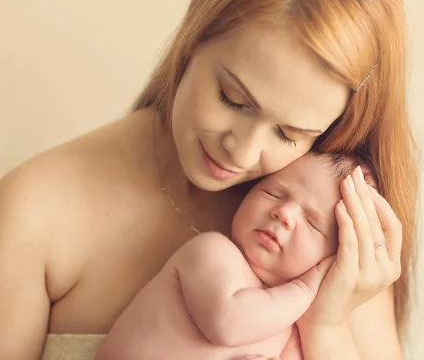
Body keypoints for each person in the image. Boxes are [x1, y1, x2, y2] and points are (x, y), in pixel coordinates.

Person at [0, 0, 418, 359]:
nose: (242, 150)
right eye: (232, 98)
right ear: (195, 33)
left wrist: (326, 328)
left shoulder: (332, 225)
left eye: (288, 134)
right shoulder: (35, 208)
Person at [97, 153, 384, 360]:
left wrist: (321, 317)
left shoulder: (294, 328)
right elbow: (228, 324)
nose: (284, 213)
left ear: (337, 257)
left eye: (312, 222)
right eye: (273, 192)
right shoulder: (212, 253)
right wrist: (306, 288)